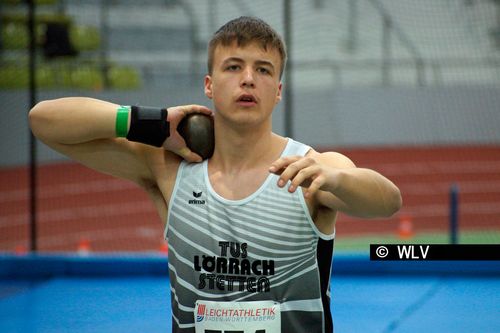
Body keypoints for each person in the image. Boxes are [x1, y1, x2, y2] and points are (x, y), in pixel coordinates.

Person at [29, 16, 402, 333]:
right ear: (209, 85)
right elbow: (43, 121)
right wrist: (149, 123)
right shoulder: (169, 167)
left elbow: (387, 201)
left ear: (278, 92)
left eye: (263, 69)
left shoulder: (310, 170)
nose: (248, 79)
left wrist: (336, 179)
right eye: (234, 66)